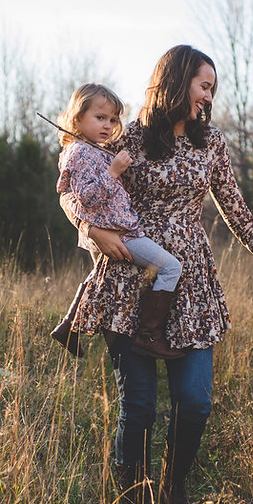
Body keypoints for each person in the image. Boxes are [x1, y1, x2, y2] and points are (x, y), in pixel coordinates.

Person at [63, 45, 253, 504]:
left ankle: (174, 488)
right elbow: (75, 185)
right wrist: (89, 228)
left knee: (195, 402)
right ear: (177, 80)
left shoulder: (212, 142)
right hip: (128, 280)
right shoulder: (129, 137)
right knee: (138, 406)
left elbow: (235, 206)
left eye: (212, 88)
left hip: (192, 283)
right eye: (202, 85)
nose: (208, 96)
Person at [50, 83, 184, 360]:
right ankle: (149, 335)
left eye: (113, 120)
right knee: (171, 267)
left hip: (117, 228)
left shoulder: (94, 149)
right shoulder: (80, 152)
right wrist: (113, 172)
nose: (108, 126)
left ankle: (68, 328)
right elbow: (85, 196)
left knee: (98, 278)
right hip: (119, 234)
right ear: (77, 118)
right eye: (100, 118)